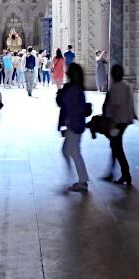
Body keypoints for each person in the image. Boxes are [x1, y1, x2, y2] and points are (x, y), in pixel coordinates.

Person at [57, 62, 90, 192]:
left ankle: (82, 181)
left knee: (74, 152)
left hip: (74, 124)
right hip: (76, 123)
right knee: (67, 150)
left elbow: (62, 103)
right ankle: (73, 177)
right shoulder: (77, 88)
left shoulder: (73, 89)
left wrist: (61, 93)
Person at [102, 63, 135, 185]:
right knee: (115, 146)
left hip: (117, 122)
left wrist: (111, 122)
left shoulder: (116, 88)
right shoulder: (124, 87)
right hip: (123, 121)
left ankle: (126, 174)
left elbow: (116, 105)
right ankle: (112, 172)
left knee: (117, 148)